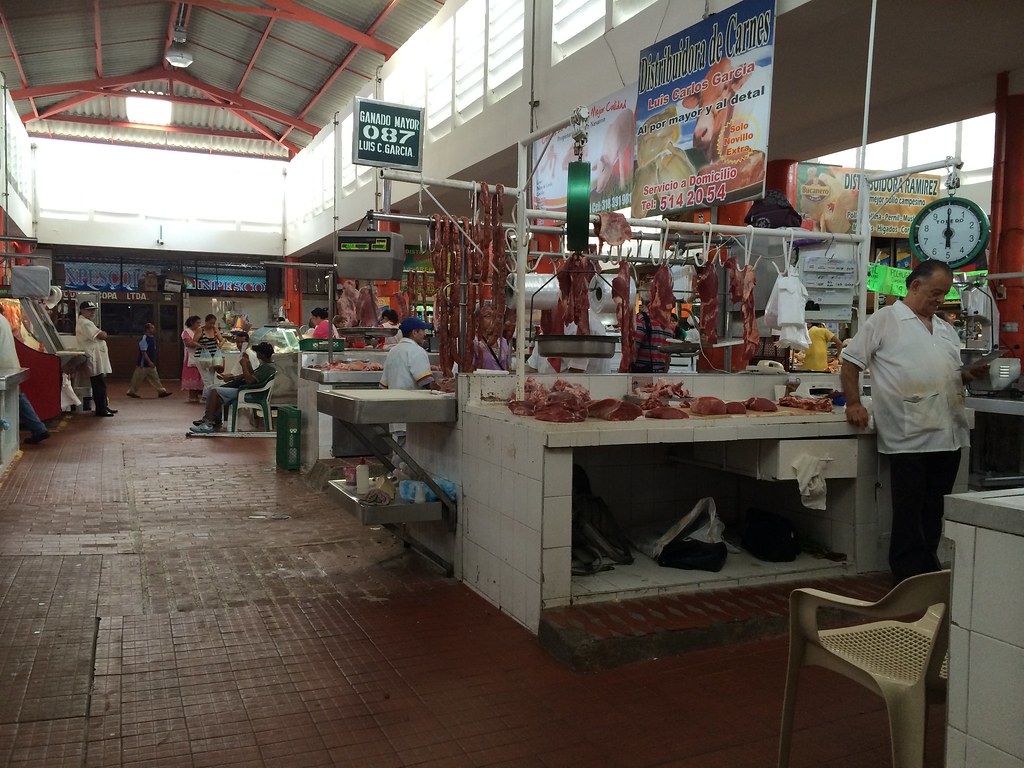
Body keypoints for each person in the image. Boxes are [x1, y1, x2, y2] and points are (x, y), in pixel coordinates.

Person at [840, 261, 989, 584]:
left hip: (948, 430)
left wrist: (968, 375)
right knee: (909, 507)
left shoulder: (946, 329)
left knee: (935, 506)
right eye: (935, 293)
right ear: (915, 286)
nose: (939, 300)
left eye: (944, 294)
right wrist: (853, 402)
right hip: (909, 432)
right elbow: (851, 362)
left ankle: (928, 567)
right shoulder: (886, 319)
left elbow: (947, 373)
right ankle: (908, 572)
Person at [190, 342, 277, 433]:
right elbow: (252, 375)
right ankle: (213, 420)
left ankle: (208, 423)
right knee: (213, 392)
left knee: (215, 391)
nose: (257, 354)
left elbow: (249, 380)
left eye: (258, 352)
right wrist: (245, 366)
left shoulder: (267, 368)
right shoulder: (265, 365)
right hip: (247, 389)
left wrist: (244, 365)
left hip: (249, 392)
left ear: (262, 354)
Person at [0, 310, 50, 444]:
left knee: (14, 399)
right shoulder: (3, 320)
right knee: (17, 397)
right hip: (10, 364)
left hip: (3, 367)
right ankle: (38, 428)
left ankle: (34, 429)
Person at [75, 301, 116, 417]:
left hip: (96, 357)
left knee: (100, 383)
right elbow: (102, 335)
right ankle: (101, 409)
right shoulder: (85, 323)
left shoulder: (86, 322)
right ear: (82, 311)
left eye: (93, 310)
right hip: (93, 358)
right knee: (98, 384)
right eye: (89, 310)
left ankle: (104, 406)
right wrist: (103, 333)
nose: (92, 312)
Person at [380, 317, 437, 390]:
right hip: (411, 399)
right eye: (422, 330)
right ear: (414, 333)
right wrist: (443, 387)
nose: (425, 334)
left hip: (392, 398)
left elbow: (383, 385)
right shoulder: (417, 351)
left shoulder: (393, 351)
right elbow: (426, 381)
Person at [127, 323, 171, 398]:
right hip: (143, 364)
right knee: (137, 378)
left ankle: (161, 391)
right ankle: (132, 391)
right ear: (147, 329)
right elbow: (143, 352)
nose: (154, 329)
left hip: (151, 364)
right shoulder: (144, 338)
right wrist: (149, 361)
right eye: (152, 328)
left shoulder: (153, 338)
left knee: (155, 378)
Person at [631, 303, 671, 373]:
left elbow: (633, 349)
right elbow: (668, 356)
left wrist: (624, 370)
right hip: (661, 373)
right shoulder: (668, 323)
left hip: (642, 374)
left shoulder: (642, 319)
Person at [471, 305, 510, 371]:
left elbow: (506, 368)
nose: (493, 320)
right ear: (477, 321)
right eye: (488, 316)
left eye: (496, 316)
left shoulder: (503, 341)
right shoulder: (473, 342)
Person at [194, 314, 223, 402]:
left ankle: (205, 396)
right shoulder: (200, 330)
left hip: (213, 357)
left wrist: (220, 344)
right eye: (210, 323)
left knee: (210, 377)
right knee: (206, 378)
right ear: (206, 322)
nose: (212, 325)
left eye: (213, 323)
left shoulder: (215, 329)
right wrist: (201, 346)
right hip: (201, 357)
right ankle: (210, 397)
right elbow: (194, 341)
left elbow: (222, 340)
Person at [181, 315, 204, 403]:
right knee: (192, 375)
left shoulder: (200, 331)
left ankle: (200, 394)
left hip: (200, 356)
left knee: (200, 375)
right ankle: (193, 395)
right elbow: (189, 343)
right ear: (192, 323)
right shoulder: (186, 332)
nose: (199, 324)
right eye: (197, 323)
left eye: (199, 323)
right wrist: (199, 345)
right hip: (191, 356)